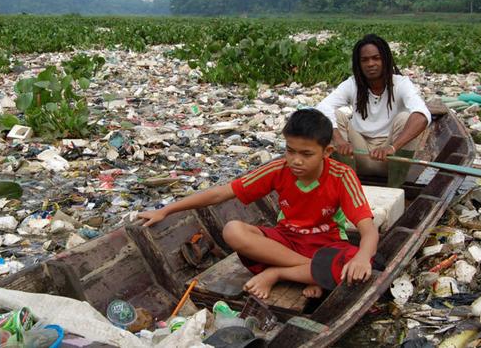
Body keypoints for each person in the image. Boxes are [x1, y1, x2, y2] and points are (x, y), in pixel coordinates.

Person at [138, 109, 379, 300]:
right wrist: (165, 210)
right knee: (232, 230)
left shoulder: (341, 175)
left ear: (327, 152)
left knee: (358, 263)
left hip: (326, 243)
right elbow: (220, 194)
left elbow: (368, 229)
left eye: (306, 154)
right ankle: (314, 273)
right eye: (290, 150)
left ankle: (278, 273)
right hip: (286, 242)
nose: (295, 160)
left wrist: (362, 257)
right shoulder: (278, 169)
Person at [316, 34, 431, 187]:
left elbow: (423, 115)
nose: (371, 64)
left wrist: (393, 147)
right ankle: (348, 185)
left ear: (386, 60)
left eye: (376, 58)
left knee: (405, 118)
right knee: (333, 116)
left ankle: (395, 188)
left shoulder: (401, 84)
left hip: (389, 158)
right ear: (359, 64)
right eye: (365, 60)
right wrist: (339, 140)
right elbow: (322, 107)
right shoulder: (353, 84)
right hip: (356, 155)